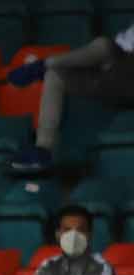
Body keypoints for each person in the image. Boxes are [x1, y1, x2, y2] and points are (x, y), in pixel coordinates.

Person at [10, 30, 134, 175]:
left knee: (104, 46)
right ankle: (43, 149)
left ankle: (45, 64)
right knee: (55, 74)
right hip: (115, 73)